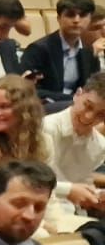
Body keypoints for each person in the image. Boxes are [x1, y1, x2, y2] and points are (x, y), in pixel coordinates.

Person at [40, 72, 105, 220]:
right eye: (88, 106)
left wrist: (95, 198)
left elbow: (83, 184)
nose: (89, 117)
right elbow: (31, 181)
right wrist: (69, 190)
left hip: (74, 214)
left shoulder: (99, 146)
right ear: (77, 94)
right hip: (42, 211)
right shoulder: (46, 128)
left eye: (101, 115)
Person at [23, 0, 101, 105]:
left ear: (89, 19)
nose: (76, 20)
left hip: (79, 106)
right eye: (70, 15)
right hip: (46, 106)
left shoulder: (88, 51)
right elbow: (29, 89)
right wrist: (70, 99)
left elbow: (94, 86)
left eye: (82, 15)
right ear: (59, 19)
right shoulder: (39, 49)